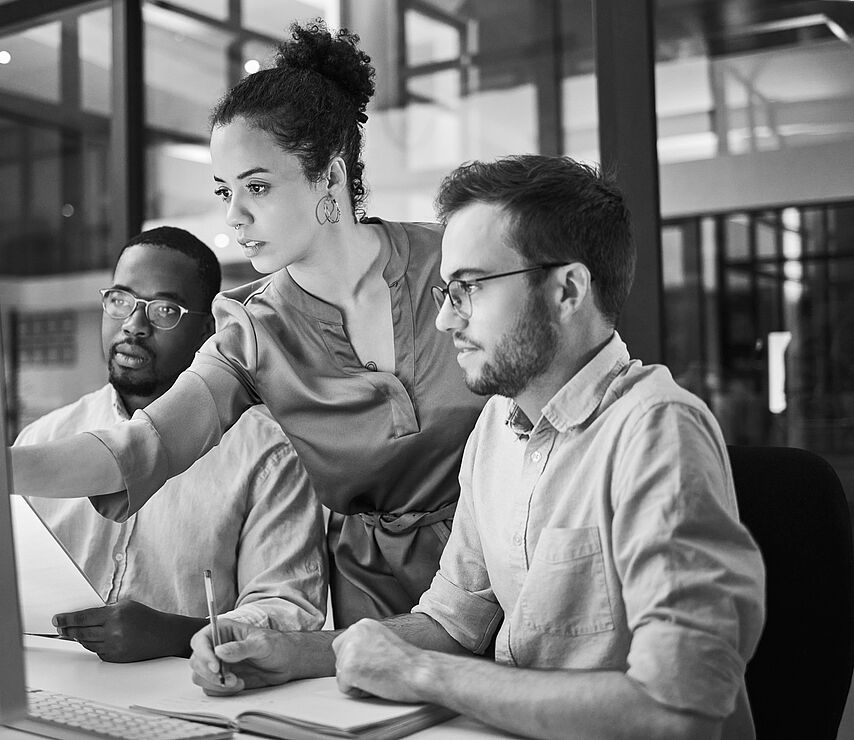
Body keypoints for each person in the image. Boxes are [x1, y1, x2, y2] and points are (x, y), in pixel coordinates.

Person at [188, 155, 767, 739]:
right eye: (445, 290)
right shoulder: (497, 425)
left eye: (468, 288)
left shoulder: (657, 432)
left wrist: (420, 673)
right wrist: (294, 652)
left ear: (567, 290)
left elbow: (680, 711)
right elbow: (452, 621)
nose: (443, 320)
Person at [10, 20, 486, 626]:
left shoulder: (455, 263)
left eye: (256, 187)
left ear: (331, 175)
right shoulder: (251, 329)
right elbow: (139, 448)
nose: (234, 217)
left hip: (506, 561)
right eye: (223, 191)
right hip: (373, 607)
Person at [15, 226, 326, 662]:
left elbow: (289, 611)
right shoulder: (43, 438)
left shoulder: (268, 453)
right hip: (46, 674)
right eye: (121, 300)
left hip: (188, 691)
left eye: (164, 310)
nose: (134, 325)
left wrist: (177, 635)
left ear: (208, 331)